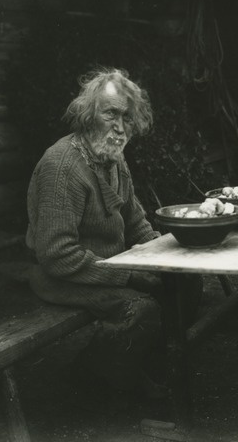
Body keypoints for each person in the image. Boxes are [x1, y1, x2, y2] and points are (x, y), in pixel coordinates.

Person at [26, 67, 198, 398]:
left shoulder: (113, 159)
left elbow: (134, 220)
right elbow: (56, 255)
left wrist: (164, 260)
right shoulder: (62, 167)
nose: (120, 127)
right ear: (89, 115)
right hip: (62, 277)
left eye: (127, 117)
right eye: (111, 114)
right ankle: (88, 380)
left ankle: (143, 364)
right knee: (140, 309)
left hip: (107, 269)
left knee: (184, 282)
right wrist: (130, 276)